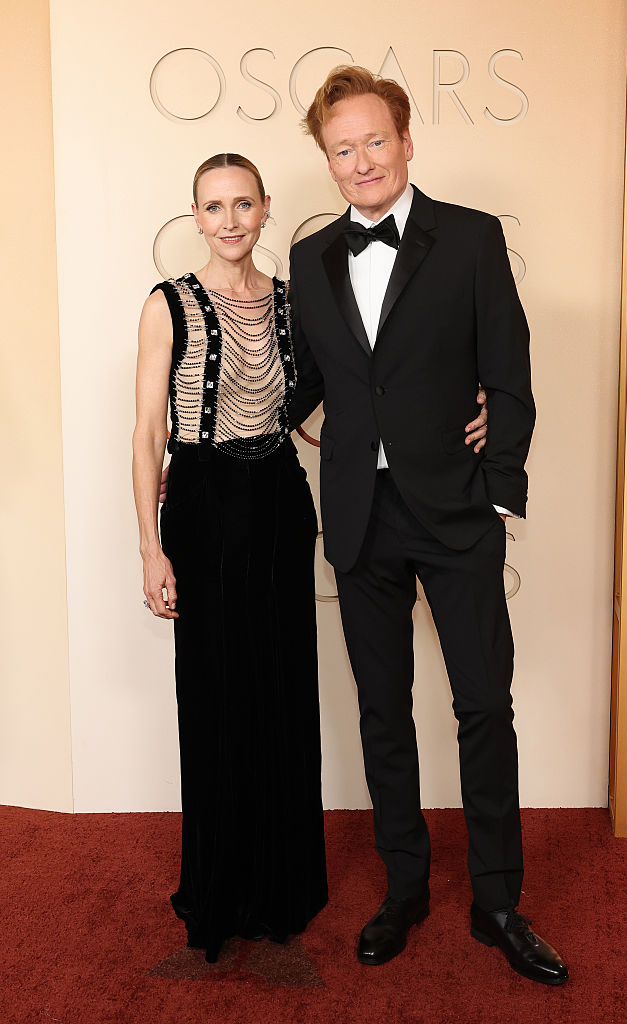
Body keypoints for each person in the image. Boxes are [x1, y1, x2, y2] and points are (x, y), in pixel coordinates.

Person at [285, 66, 569, 986]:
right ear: (327, 161)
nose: (361, 160)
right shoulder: (309, 258)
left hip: (454, 508)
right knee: (382, 711)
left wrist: (498, 489)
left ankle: (497, 902)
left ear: (406, 141)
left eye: (375, 140)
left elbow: (510, 375)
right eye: (342, 149)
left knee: (483, 704)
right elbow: (313, 382)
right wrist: (213, 432)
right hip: (359, 515)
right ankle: (403, 888)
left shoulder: (472, 237)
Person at [132, 153, 329, 962]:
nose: (229, 221)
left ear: (265, 207)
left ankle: (281, 887)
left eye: (242, 204)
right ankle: (218, 891)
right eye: (213, 207)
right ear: (195, 215)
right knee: (214, 692)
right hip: (202, 505)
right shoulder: (167, 304)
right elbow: (148, 432)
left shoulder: (291, 303)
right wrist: (151, 546)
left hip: (279, 499)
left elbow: (329, 399)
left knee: (281, 689)